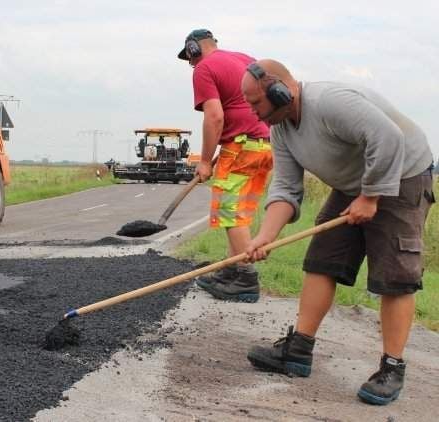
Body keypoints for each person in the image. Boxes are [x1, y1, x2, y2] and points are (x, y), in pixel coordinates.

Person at [240, 59, 435, 405]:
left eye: (257, 103)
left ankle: (391, 368)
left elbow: (388, 138)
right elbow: (285, 188)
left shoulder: (331, 103)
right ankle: (298, 350)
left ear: (281, 91)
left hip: (404, 172)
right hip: (355, 182)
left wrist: (371, 196)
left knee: (394, 275)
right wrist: (265, 236)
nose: (254, 112)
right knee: (322, 259)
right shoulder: (280, 128)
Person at [177, 29, 272, 302]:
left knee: (229, 211)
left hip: (241, 147)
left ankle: (245, 278)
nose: (191, 64)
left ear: (195, 49)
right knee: (240, 212)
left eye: (190, 58)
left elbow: (215, 116)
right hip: (265, 144)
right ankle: (229, 271)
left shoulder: (204, 68)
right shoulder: (245, 59)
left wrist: (205, 161)